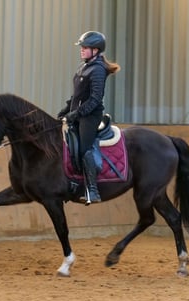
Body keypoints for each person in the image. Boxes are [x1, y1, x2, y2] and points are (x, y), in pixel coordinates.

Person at [58, 31, 121, 205]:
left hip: (91, 116)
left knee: (84, 147)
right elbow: (77, 96)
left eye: (85, 48)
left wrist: (76, 114)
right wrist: (65, 110)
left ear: (95, 50)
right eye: (82, 47)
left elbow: (95, 99)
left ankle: (92, 190)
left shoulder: (98, 70)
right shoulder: (83, 67)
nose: (82, 50)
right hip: (79, 113)